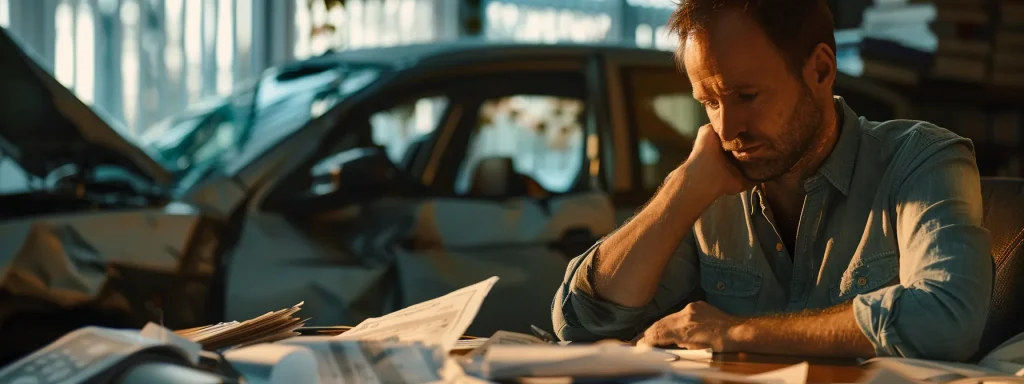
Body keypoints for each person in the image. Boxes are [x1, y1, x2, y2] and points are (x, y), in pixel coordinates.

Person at [551, 0, 992, 361]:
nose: (727, 130)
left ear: (820, 70)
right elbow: (580, 323)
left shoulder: (921, 159)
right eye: (709, 102)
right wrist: (681, 190)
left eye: (746, 96)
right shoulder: (710, 186)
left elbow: (946, 318)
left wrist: (738, 331)